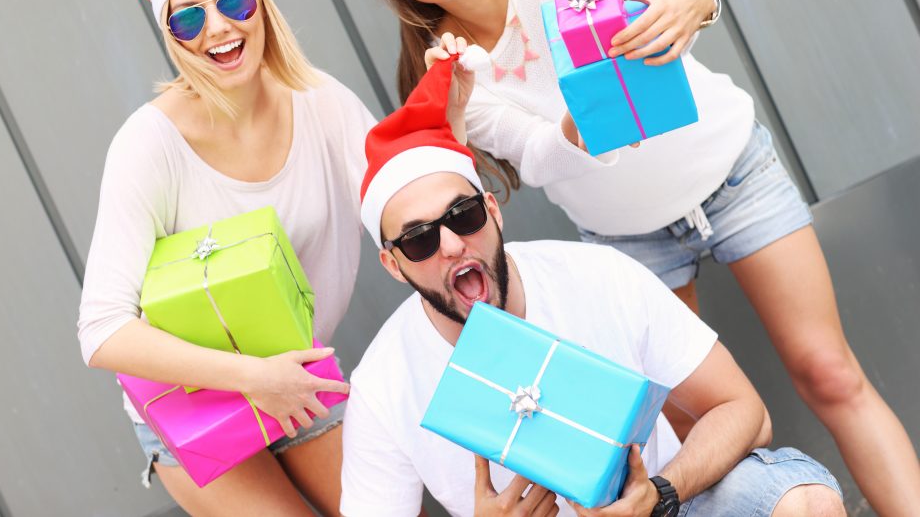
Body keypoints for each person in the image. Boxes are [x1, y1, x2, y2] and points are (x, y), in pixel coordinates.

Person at [338, 0, 920, 514]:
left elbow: (664, 30)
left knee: (828, 371)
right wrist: (543, 115)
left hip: (730, 173)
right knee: (683, 435)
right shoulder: (448, 76)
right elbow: (544, 157)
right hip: (628, 233)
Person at [340, 55, 844, 517]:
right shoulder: (384, 385)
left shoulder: (597, 275)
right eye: (420, 239)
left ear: (492, 211)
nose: (451, 245)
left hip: (669, 510)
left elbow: (744, 411)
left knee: (806, 505)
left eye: (463, 214)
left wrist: (660, 493)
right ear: (392, 264)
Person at [77, 0, 373, 517]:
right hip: (197, 401)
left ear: (263, 4)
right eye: (188, 18)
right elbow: (102, 332)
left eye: (233, 2)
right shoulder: (148, 143)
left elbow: (394, 198)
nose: (217, 28)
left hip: (295, 377)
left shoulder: (321, 102)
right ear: (171, 35)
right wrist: (254, 379)